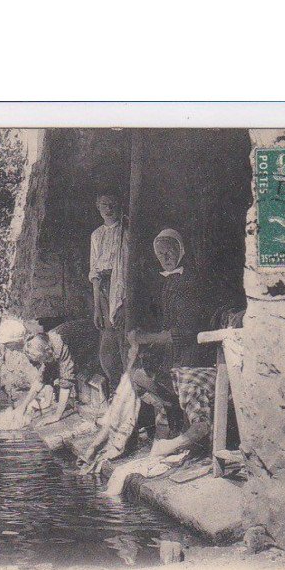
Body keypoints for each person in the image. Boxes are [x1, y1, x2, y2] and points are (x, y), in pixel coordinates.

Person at [131, 229, 216, 458]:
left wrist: (147, 338)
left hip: (194, 352)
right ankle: (172, 425)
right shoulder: (169, 281)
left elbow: (184, 332)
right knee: (139, 375)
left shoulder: (189, 282)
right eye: (160, 253)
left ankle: (190, 443)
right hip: (175, 352)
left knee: (176, 386)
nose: (165, 257)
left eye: (169, 251)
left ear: (181, 250)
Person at [78, 330, 173, 474]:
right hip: (143, 377)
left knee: (160, 409)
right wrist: (95, 446)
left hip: (161, 393)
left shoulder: (147, 376)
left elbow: (163, 411)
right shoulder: (132, 376)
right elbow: (117, 412)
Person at [89, 190, 129, 395]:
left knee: (123, 338)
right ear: (98, 207)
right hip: (104, 290)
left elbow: (127, 268)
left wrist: (124, 300)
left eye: (112, 203)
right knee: (107, 341)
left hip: (121, 288)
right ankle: (115, 387)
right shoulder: (96, 235)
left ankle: (129, 389)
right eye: (104, 204)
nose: (108, 208)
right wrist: (97, 307)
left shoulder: (125, 232)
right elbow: (95, 273)